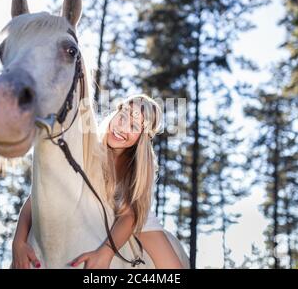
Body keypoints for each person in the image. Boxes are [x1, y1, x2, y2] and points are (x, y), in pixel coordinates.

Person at [12, 94, 183, 269]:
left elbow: (129, 215)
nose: (122, 128)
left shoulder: (138, 168)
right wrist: (18, 241)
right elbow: (42, 194)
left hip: (135, 216)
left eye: (134, 126)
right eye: (122, 117)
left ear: (142, 137)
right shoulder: (87, 147)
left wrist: (106, 252)